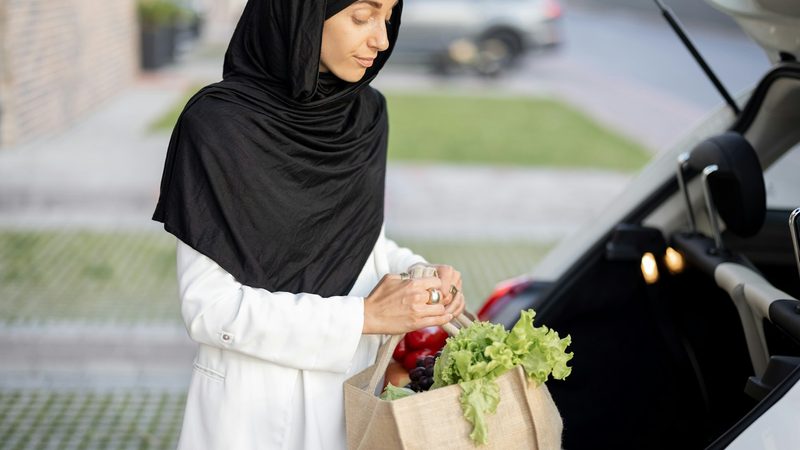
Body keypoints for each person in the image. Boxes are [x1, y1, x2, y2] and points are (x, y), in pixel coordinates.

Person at [151, 0, 466, 448]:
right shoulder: (219, 127)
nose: (381, 39)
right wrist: (364, 316)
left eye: (388, 18)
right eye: (362, 17)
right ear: (301, 14)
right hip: (252, 412)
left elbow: (358, 243)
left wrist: (421, 273)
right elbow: (209, 308)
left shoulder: (365, 115)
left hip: (354, 404)